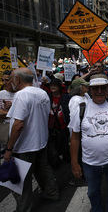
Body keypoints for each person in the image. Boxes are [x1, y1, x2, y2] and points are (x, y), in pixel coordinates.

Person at [69, 74, 108, 212]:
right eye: (95, 88)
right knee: (92, 192)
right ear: (89, 90)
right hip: (90, 162)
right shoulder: (80, 108)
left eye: (103, 88)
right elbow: (74, 138)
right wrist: (74, 163)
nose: (99, 91)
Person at [4, 68, 60, 212]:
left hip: (24, 146)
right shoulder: (42, 92)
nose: (10, 81)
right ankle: (52, 194)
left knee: (20, 181)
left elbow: (18, 125)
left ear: (17, 79)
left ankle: (24, 209)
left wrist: (9, 148)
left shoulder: (21, 95)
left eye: (11, 78)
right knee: (44, 170)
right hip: (40, 141)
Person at [0, 70, 15, 153]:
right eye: (3, 80)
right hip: (3, 127)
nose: (4, 83)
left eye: (7, 80)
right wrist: (13, 112)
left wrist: (11, 108)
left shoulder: (20, 94)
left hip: (16, 128)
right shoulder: (1, 94)